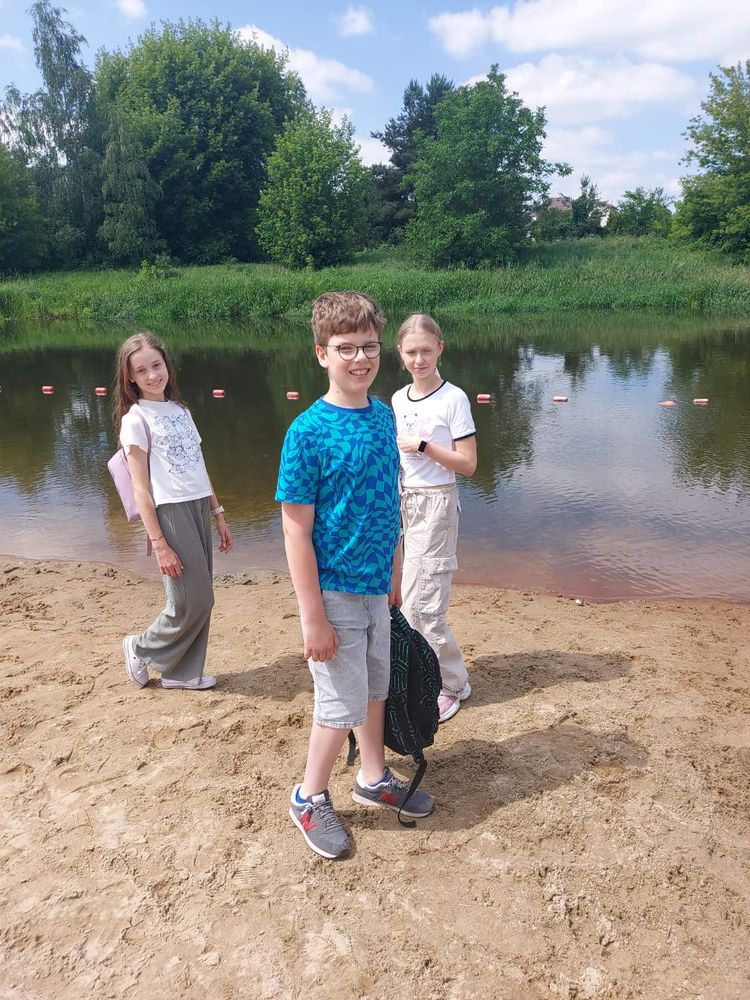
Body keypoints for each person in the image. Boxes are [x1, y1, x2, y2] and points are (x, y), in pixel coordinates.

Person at [276, 291, 435, 860]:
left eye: (369, 346)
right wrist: (312, 617)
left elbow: (387, 500)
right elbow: (296, 531)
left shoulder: (383, 416)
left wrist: (394, 569)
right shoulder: (307, 432)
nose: (360, 358)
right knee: (338, 702)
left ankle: (372, 776)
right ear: (322, 354)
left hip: (374, 587)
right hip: (334, 590)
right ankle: (308, 795)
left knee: (374, 688)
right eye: (346, 348)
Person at [114, 331, 232, 691]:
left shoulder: (182, 411)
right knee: (192, 598)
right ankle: (140, 647)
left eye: (157, 365)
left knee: (200, 597)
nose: (153, 375)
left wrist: (218, 513)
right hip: (170, 512)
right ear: (130, 377)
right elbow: (140, 488)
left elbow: (199, 466)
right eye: (142, 370)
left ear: (167, 365)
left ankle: (181, 673)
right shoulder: (136, 419)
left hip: (197, 507)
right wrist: (159, 543)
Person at [392, 314, 477, 724]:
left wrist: (425, 446)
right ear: (400, 353)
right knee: (408, 600)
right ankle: (435, 676)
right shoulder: (398, 399)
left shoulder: (453, 399)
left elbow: (468, 464)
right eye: (411, 352)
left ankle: (453, 685)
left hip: (438, 504)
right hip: (405, 501)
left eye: (426, 350)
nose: (419, 359)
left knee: (426, 606)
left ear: (440, 348)